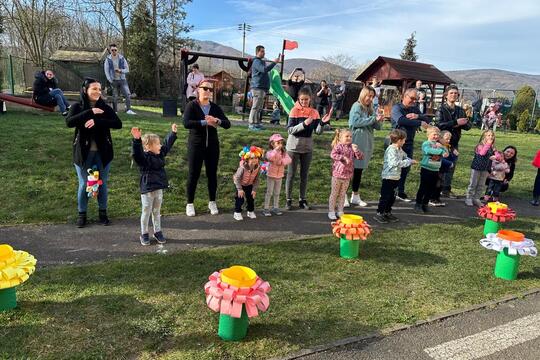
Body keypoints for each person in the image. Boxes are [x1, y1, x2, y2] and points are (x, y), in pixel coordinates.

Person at [66, 78, 122, 228]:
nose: (98, 92)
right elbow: (69, 122)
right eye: (94, 89)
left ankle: (102, 213)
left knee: (101, 183)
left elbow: (118, 124)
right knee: (84, 183)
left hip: (103, 153)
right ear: (85, 90)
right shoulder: (77, 106)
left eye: (99, 89)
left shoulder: (104, 107)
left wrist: (98, 121)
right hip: (83, 154)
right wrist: (90, 112)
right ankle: (82, 214)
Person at [183, 79, 231, 217]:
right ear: (198, 89)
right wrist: (205, 122)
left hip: (212, 146)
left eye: (210, 89)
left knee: (212, 174)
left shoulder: (215, 107)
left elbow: (227, 124)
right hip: (196, 145)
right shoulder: (191, 105)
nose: (208, 91)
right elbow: (186, 123)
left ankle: (212, 202)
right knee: (194, 174)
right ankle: (190, 203)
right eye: (205, 88)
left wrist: (217, 121)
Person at [131, 124, 177, 246]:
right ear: (148, 147)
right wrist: (136, 140)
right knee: (146, 211)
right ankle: (144, 233)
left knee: (156, 211)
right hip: (147, 190)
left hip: (158, 189)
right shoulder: (144, 158)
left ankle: (157, 231)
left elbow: (167, 145)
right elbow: (137, 154)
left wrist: (172, 133)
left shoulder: (160, 154)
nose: (160, 145)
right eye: (157, 144)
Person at [285, 87, 331, 210]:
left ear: (310, 99)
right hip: (293, 148)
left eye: (306, 100)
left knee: (304, 175)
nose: (304, 102)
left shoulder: (314, 112)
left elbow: (317, 132)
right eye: (302, 100)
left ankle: (302, 199)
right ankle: (288, 199)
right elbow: (290, 130)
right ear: (299, 99)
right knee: (291, 174)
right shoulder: (294, 111)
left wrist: (321, 123)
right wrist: (304, 124)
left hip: (307, 148)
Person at [391, 88, 431, 202]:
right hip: (396, 143)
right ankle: (391, 190)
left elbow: (427, 118)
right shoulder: (397, 108)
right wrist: (419, 122)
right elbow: (401, 121)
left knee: (406, 167)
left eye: (416, 99)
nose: (414, 101)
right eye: (412, 98)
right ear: (404, 96)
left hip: (409, 142)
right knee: (394, 167)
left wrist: (417, 116)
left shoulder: (414, 108)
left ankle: (400, 191)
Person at [349, 85, 385, 207]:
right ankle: (342, 195)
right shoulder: (357, 106)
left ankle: (355, 196)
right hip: (356, 140)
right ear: (363, 95)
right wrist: (373, 119)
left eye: (372, 96)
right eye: (368, 96)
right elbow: (356, 122)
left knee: (358, 170)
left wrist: (380, 119)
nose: (370, 98)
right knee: (349, 169)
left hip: (366, 142)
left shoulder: (370, 109)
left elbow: (378, 127)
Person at [373, 129, 416, 224]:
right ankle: (380, 213)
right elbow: (394, 163)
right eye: (404, 140)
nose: (405, 142)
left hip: (396, 177)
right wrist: (408, 162)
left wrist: (410, 160)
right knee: (385, 196)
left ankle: (387, 212)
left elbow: (405, 156)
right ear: (399, 140)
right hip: (388, 177)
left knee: (392, 196)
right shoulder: (391, 150)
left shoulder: (399, 149)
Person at [436, 85, 471, 198]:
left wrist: (465, 122)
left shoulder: (460, 110)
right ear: (446, 95)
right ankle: (436, 190)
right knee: (439, 166)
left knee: (451, 166)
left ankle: (446, 189)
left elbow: (468, 126)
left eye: (456, 93)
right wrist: (455, 122)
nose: (454, 95)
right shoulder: (441, 109)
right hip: (442, 142)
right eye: (451, 93)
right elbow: (439, 125)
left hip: (454, 142)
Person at [328, 129, 363, 220]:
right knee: (334, 194)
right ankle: (331, 211)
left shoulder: (352, 147)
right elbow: (333, 155)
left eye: (350, 137)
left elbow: (360, 157)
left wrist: (356, 150)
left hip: (347, 176)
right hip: (337, 175)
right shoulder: (338, 146)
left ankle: (340, 211)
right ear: (340, 138)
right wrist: (343, 157)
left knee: (343, 194)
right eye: (346, 136)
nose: (349, 138)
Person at [414, 126, 449, 213]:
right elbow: (428, 151)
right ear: (428, 135)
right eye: (434, 135)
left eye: (437, 135)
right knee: (423, 187)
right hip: (426, 169)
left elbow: (447, 153)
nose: (436, 137)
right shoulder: (426, 144)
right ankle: (418, 204)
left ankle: (425, 204)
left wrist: (443, 147)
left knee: (431, 188)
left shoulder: (439, 145)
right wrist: (441, 151)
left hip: (435, 170)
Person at [248, 45, 281, 131]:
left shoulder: (260, 61)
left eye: (264, 51)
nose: (264, 53)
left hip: (261, 88)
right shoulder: (256, 61)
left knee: (258, 107)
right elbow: (264, 69)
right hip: (257, 87)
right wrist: (274, 63)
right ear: (257, 52)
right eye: (262, 51)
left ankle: (256, 123)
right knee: (255, 107)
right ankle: (252, 124)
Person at [263, 134, 292, 216]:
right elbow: (270, 158)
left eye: (281, 143)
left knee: (277, 192)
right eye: (278, 142)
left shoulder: (283, 153)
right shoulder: (270, 152)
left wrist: (282, 162)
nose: (280, 145)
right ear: (272, 144)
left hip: (279, 175)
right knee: (269, 192)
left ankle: (275, 207)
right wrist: (275, 150)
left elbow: (289, 159)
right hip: (271, 175)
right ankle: (266, 208)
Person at [104, 44, 136, 115]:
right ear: (110, 50)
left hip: (122, 80)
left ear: (117, 50)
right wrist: (110, 80)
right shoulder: (108, 59)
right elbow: (106, 71)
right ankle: (115, 111)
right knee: (115, 96)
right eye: (112, 50)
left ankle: (128, 110)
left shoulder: (122, 58)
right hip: (113, 80)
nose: (114, 51)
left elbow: (127, 69)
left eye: (115, 50)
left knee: (127, 94)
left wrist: (121, 70)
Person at [465, 130, 495, 207]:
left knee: (481, 184)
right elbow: (482, 153)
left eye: (492, 135)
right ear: (484, 137)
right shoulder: (480, 146)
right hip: (476, 168)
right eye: (488, 135)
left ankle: (476, 198)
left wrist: (496, 156)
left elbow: (497, 154)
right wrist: (488, 144)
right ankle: (469, 198)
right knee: (473, 184)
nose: (490, 137)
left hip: (485, 169)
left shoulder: (492, 147)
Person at [233, 146, 264, 220]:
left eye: (256, 158)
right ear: (247, 160)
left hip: (249, 185)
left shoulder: (258, 167)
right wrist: (239, 189)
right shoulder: (242, 167)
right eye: (252, 158)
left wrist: (254, 189)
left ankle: (250, 211)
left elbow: (257, 179)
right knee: (240, 199)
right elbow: (237, 178)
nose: (254, 160)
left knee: (251, 198)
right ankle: (237, 212)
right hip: (240, 185)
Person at [429, 130, 458, 207]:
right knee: (436, 183)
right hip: (437, 168)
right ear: (440, 138)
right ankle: (432, 198)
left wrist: (454, 155)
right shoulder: (438, 146)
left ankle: (437, 198)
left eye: (449, 139)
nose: (448, 141)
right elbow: (440, 159)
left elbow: (450, 159)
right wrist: (449, 163)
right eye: (446, 139)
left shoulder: (448, 147)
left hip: (444, 170)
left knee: (441, 183)